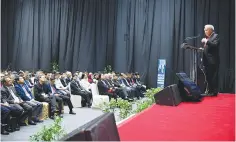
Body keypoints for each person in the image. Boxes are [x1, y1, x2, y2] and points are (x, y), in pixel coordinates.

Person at [201, 24, 220, 96]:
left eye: (206, 30)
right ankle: (210, 91)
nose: (205, 31)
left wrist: (206, 41)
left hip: (213, 61)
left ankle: (214, 92)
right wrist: (202, 49)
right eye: (204, 30)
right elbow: (209, 49)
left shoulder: (216, 36)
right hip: (207, 61)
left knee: (213, 76)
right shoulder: (209, 37)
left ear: (210, 30)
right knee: (208, 76)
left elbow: (215, 45)